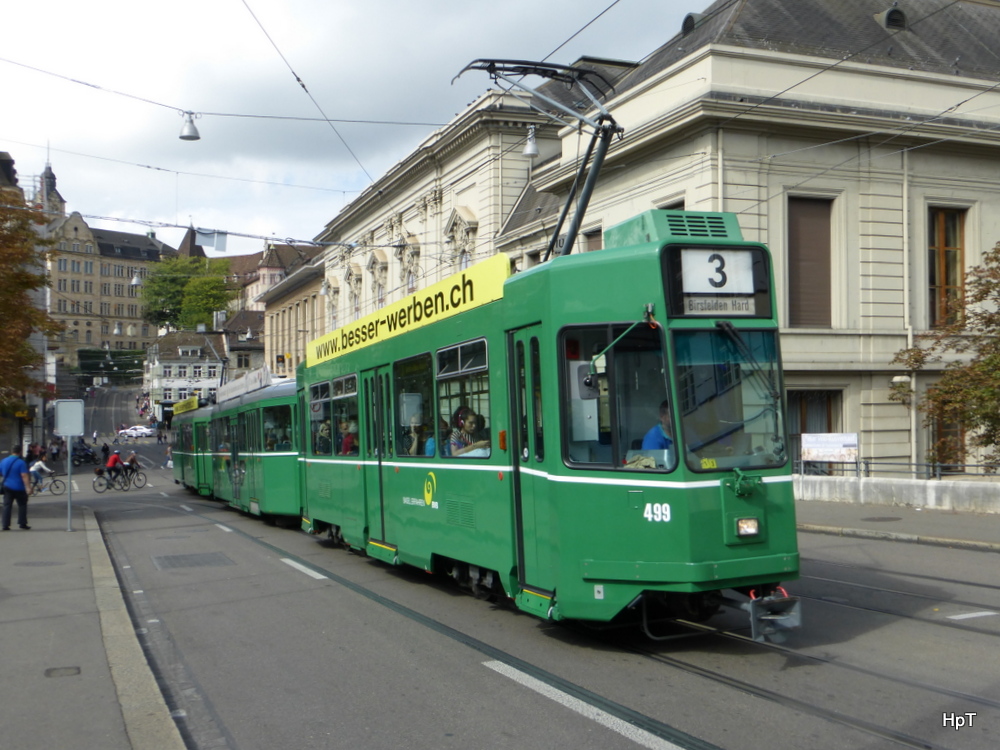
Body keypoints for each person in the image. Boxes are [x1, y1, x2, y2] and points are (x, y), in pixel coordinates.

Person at [1, 444, 33, 530]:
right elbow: (24, 476)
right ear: (20, 452)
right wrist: (28, 487)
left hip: (7, 487)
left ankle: (5, 525)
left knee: (7, 505)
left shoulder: (3, 461)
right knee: (22, 505)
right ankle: (22, 523)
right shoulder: (21, 462)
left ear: (12, 451)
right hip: (19, 488)